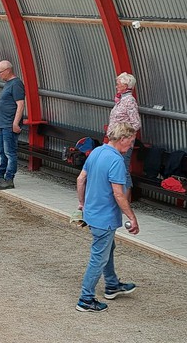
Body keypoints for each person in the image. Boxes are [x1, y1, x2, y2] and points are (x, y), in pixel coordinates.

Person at [75, 122, 140, 313]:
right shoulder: (117, 161)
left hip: (92, 214)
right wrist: (132, 217)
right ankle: (85, 299)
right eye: (130, 141)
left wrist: (82, 203)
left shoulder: (96, 152)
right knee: (99, 258)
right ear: (122, 139)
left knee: (108, 248)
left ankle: (112, 284)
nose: (131, 146)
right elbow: (119, 194)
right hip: (105, 218)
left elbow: (80, 179)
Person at [0, 61, 25, 190]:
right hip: (3, 123)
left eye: (0, 72)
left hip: (9, 124)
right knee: (1, 150)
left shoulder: (16, 84)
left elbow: (20, 105)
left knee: (9, 152)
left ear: (8, 70)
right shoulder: (8, 83)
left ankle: (9, 179)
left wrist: (15, 123)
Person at [108, 72, 141, 203]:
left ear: (126, 86)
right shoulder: (121, 100)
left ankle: (125, 201)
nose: (116, 86)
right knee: (117, 168)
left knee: (124, 170)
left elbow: (136, 123)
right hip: (115, 142)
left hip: (123, 143)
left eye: (119, 84)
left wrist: (126, 138)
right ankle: (119, 199)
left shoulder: (130, 101)